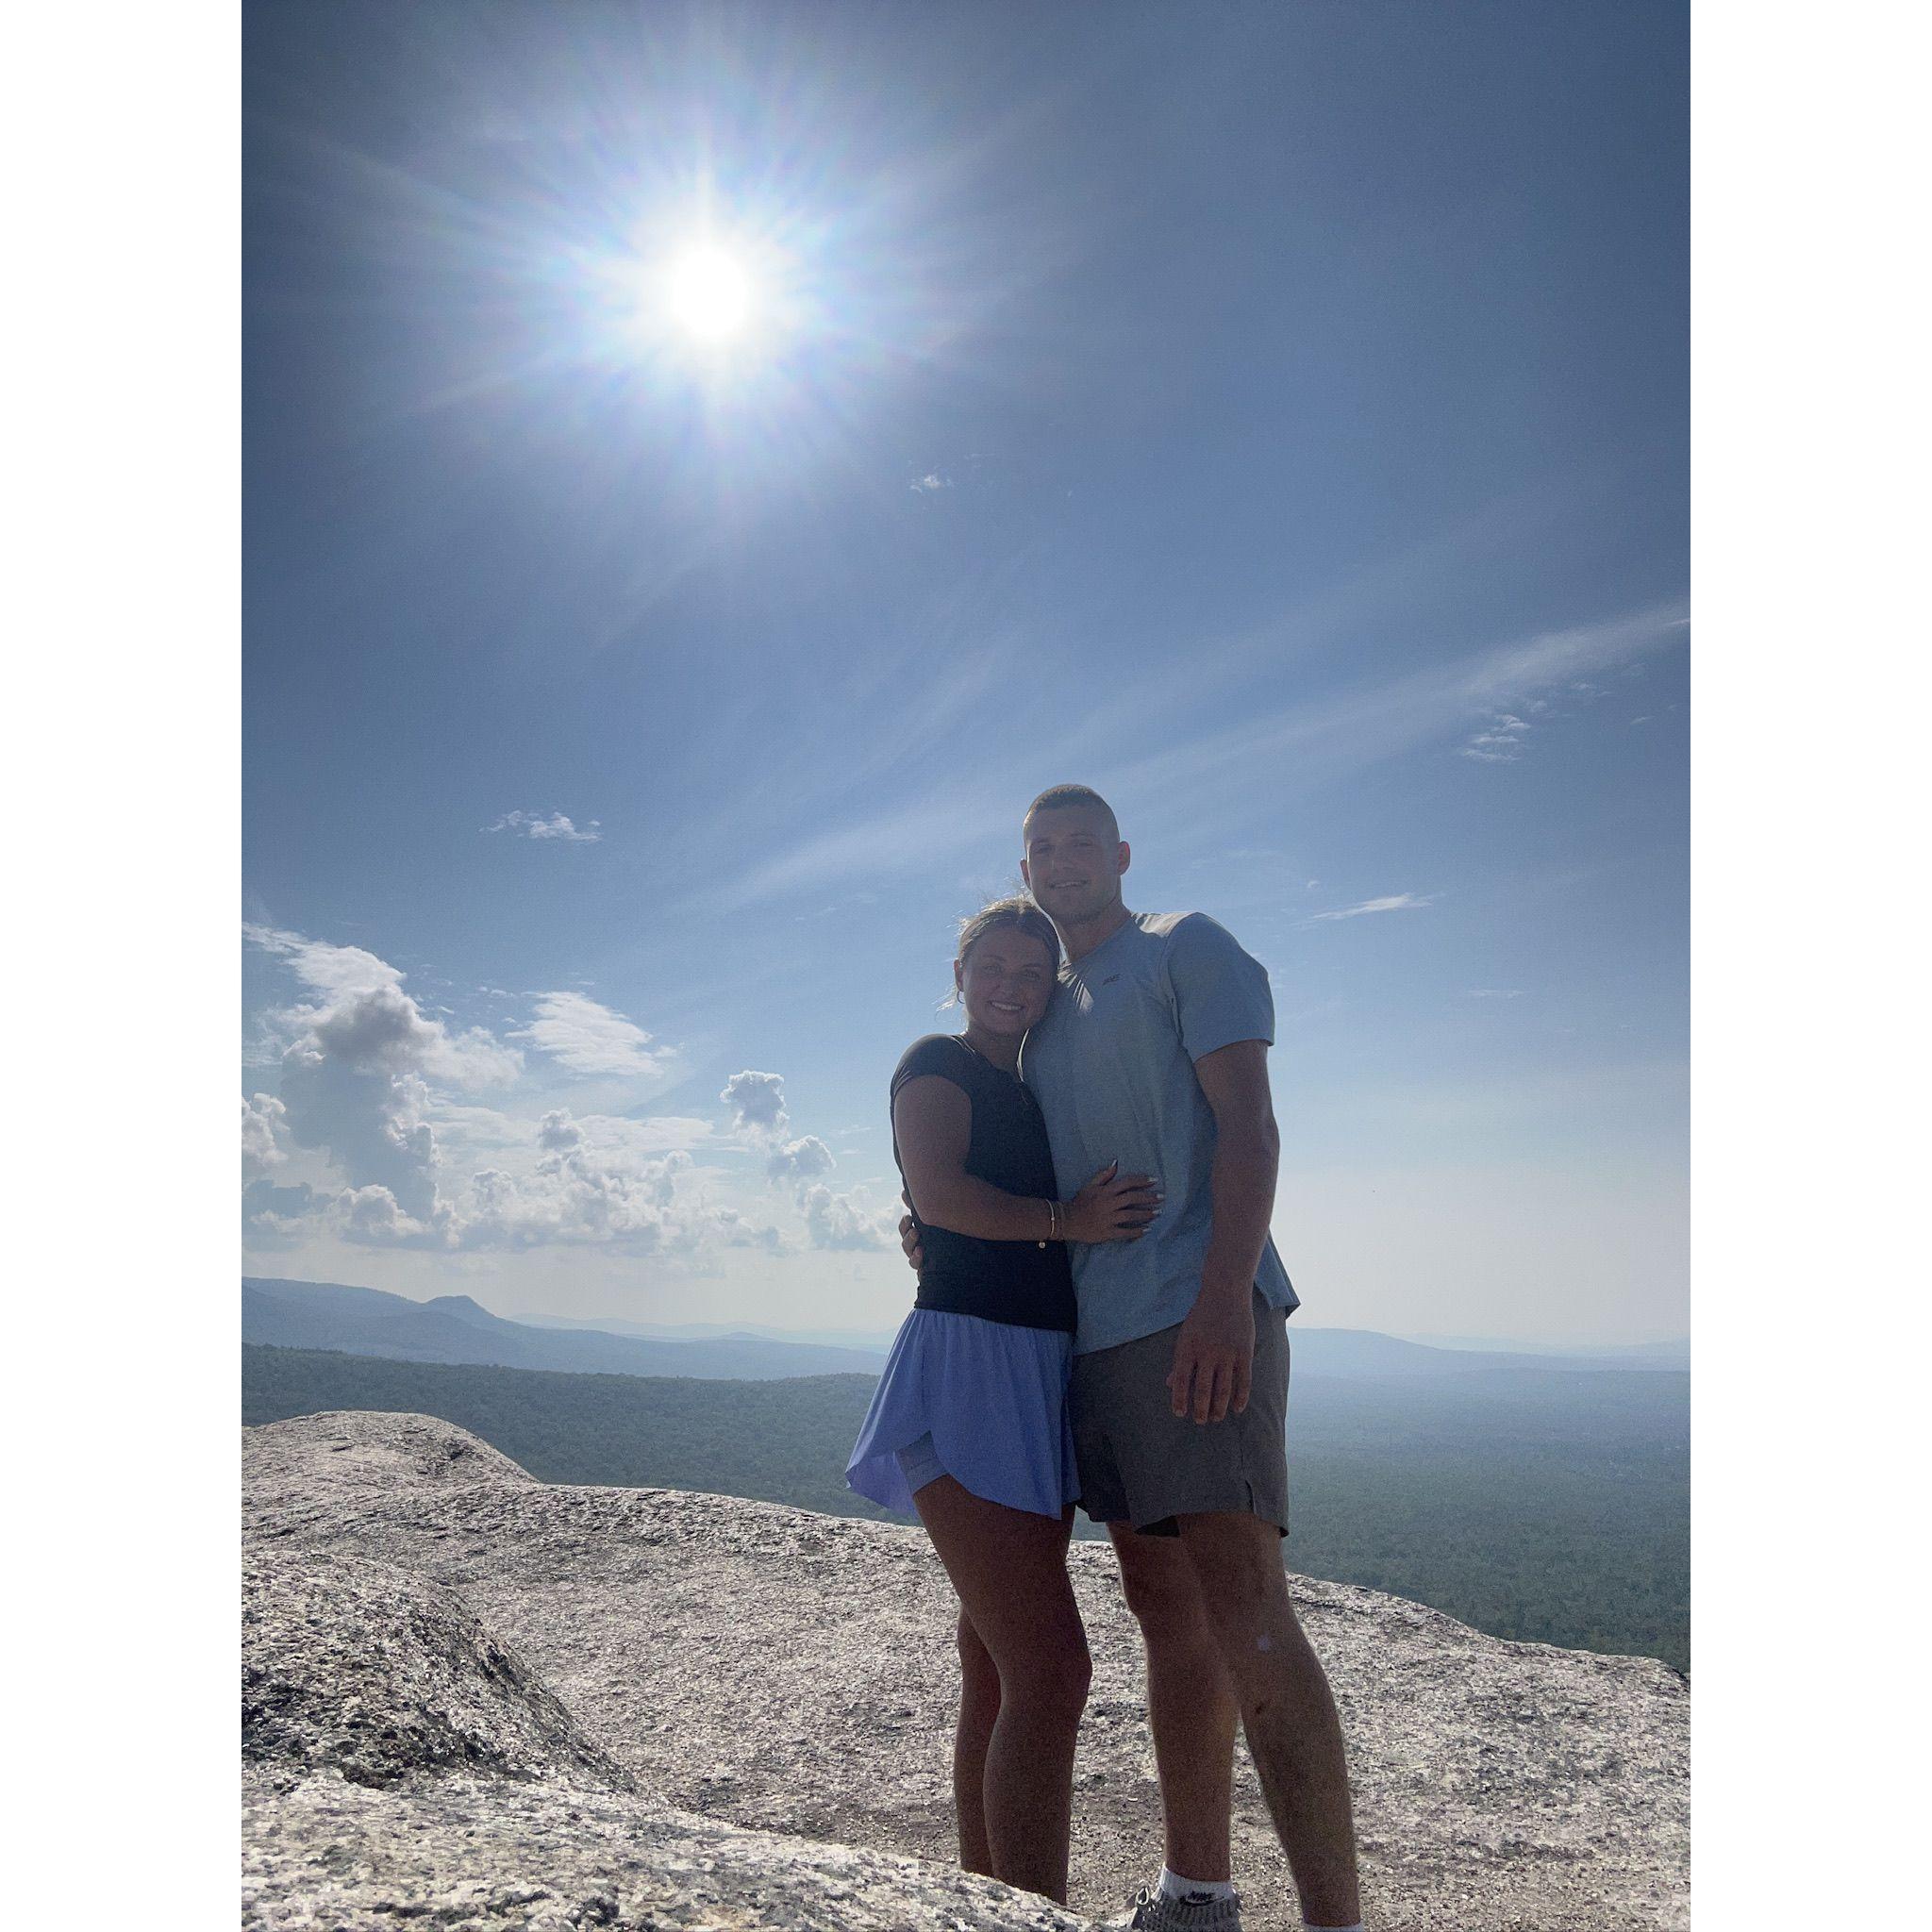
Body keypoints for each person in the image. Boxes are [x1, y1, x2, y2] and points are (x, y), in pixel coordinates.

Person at [901, 787, 1364, 1932]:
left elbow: (1249, 1126)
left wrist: (1222, 1300)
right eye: (1041, 847)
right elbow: (991, 1163)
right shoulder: (1047, 1011)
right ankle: (1196, 1890)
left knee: (1245, 1606)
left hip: (1192, 1314)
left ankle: (1335, 1920)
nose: (1062, 861)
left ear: (1118, 853)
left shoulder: (1182, 946)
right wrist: (932, 1222)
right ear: (1024, 866)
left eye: (1080, 843)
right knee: (1169, 1609)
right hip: (1093, 1342)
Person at [845, 895, 1160, 1906]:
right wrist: (1069, 1219)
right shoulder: (935, 1063)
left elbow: (945, 1211)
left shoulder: (1030, 1085)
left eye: (1032, 971)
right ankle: (1035, 1914)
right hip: (968, 1368)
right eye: (993, 966)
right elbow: (939, 1195)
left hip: (1035, 1372)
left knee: (993, 1658)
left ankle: (988, 1902)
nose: (1011, 986)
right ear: (960, 972)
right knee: (1051, 1669)